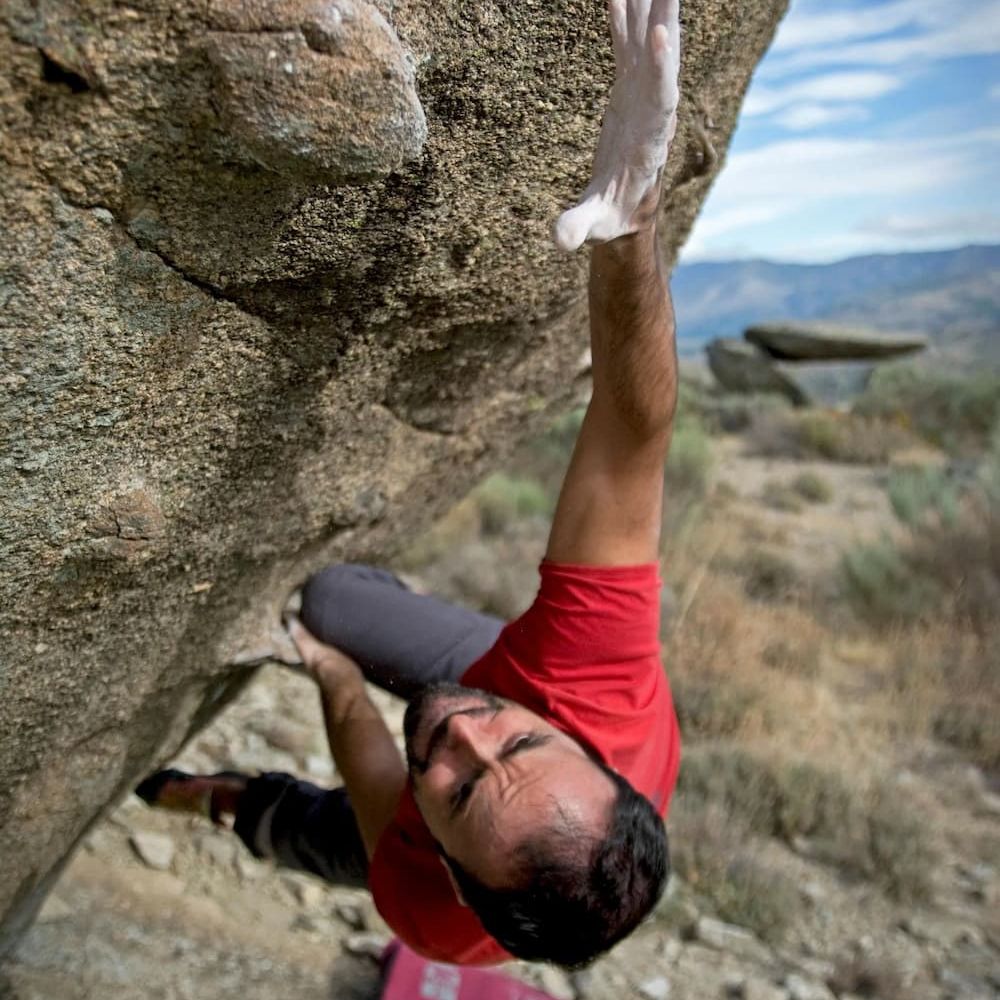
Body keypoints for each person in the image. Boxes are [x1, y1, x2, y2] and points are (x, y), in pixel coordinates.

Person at [137, 0, 684, 970]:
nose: (462, 734)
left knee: (310, 825)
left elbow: (374, 762)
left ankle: (206, 796)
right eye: (514, 747)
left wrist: (330, 672)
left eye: (462, 790)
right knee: (336, 597)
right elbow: (630, 434)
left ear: (450, 860)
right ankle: (361, 668)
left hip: (399, 838)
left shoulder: (429, 905)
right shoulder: (589, 683)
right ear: (580, 746)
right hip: (542, 686)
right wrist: (630, 227)